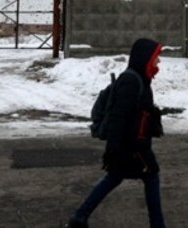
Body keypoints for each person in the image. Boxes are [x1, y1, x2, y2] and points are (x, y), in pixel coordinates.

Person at [68, 38, 166, 228]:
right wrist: (113, 149)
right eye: (156, 57)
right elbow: (118, 116)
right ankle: (158, 225)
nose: (158, 62)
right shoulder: (131, 80)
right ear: (146, 58)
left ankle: (79, 218)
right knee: (149, 177)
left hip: (133, 144)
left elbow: (137, 111)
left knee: (116, 177)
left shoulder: (140, 78)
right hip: (133, 146)